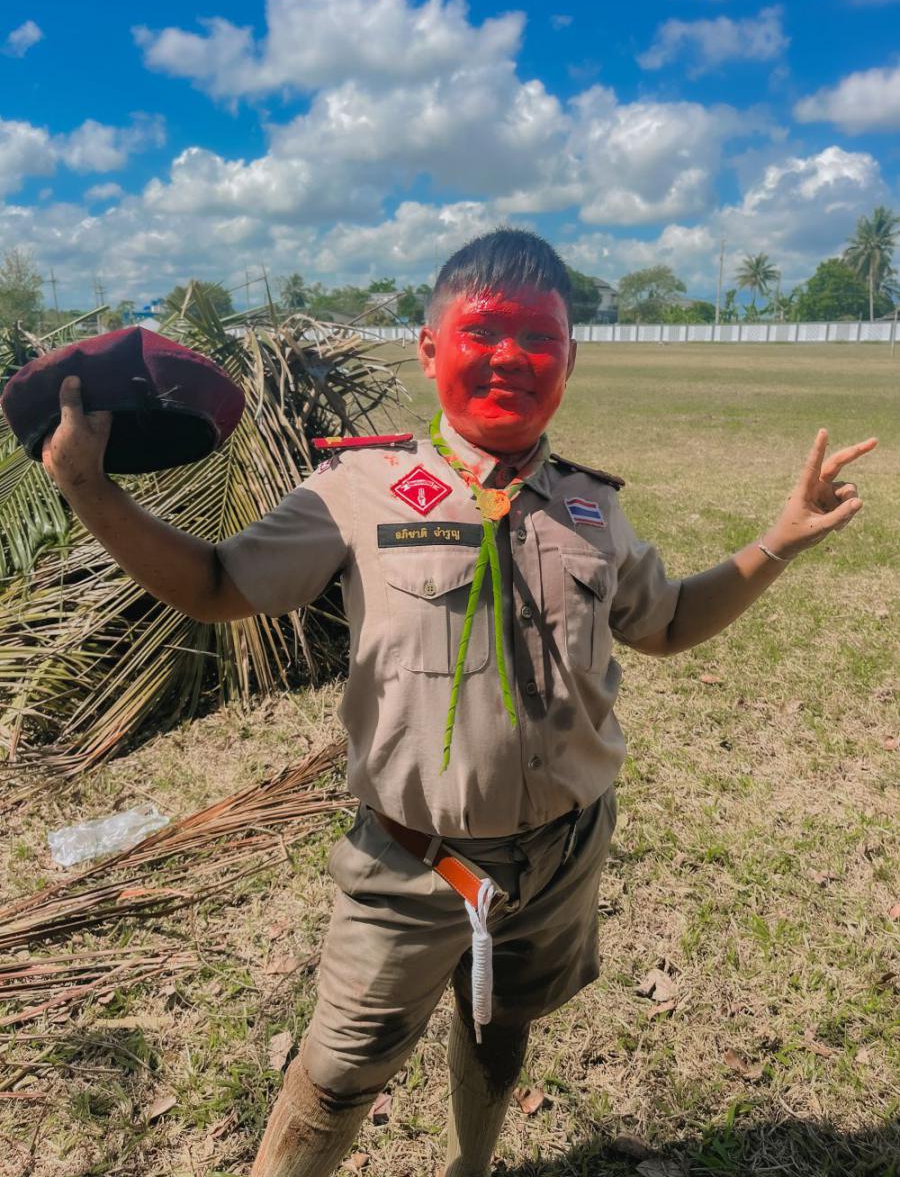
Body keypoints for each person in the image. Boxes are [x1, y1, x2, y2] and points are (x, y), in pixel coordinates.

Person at [40, 229, 876, 1177]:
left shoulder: (592, 508)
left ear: (569, 359)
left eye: (540, 337)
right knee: (338, 1072)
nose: (512, 357)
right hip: (412, 865)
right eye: (484, 332)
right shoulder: (359, 489)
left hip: (563, 853)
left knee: (502, 1025)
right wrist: (90, 491)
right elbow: (217, 584)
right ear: (431, 348)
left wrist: (780, 539)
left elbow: (671, 620)